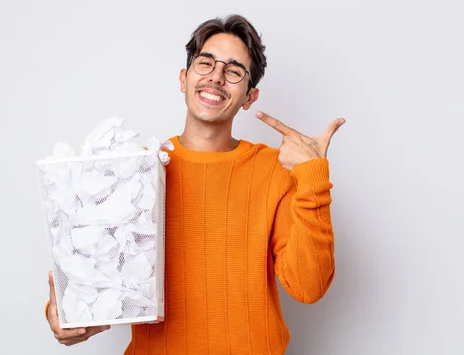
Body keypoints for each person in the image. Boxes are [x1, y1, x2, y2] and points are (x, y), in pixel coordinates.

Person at [44, 13, 345, 354]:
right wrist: (66, 315)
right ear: (184, 79)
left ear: (250, 96)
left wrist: (312, 176)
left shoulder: (274, 170)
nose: (216, 77)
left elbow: (309, 287)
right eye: (206, 63)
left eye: (233, 71)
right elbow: (91, 275)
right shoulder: (135, 171)